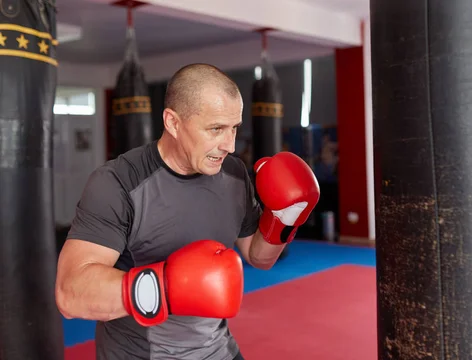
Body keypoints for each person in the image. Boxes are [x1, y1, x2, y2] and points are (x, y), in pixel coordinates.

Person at [55, 63, 320, 360]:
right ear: (173, 122)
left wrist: (285, 218)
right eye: (216, 129)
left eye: (234, 128)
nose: (230, 146)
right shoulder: (118, 183)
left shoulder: (233, 175)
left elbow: (259, 256)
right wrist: (167, 286)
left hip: (219, 350)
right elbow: (70, 293)